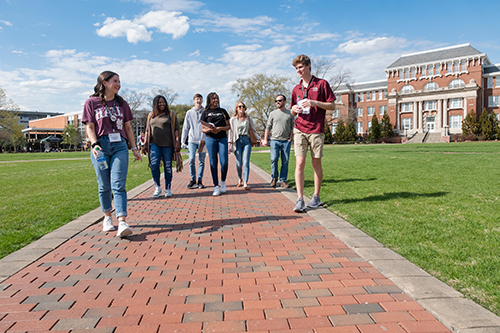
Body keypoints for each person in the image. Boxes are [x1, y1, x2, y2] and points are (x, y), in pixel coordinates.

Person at [83, 70, 142, 237]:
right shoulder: (91, 102)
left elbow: (128, 128)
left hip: (120, 146)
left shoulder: (122, 103)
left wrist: (134, 148)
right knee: (104, 185)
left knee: (118, 184)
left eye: (119, 81)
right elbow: (90, 126)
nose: (118, 84)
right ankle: (107, 216)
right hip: (100, 146)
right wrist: (94, 144)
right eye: (115, 81)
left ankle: (122, 221)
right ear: (104, 83)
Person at [290, 54, 335, 212]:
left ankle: (316, 196)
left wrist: (315, 103)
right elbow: (292, 110)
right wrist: (294, 110)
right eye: (296, 69)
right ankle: (300, 199)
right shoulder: (296, 89)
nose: (298, 71)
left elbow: (332, 106)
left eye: (300, 67)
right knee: (300, 163)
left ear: (309, 66)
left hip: (316, 129)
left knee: (316, 163)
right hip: (300, 128)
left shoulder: (322, 84)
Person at [143, 95, 181, 198]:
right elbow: (147, 130)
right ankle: (157, 187)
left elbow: (176, 129)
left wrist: (177, 142)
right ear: (155, 104)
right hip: (154, 144)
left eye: (163, 102)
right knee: (154, 165)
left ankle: (168, 188)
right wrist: (145, 144)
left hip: (168, 145)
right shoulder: (151, 115)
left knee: (167, 166)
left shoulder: (171, 114)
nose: (161, 104)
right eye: (159, 102)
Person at [200, 92, 231, 196]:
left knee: (224, 162)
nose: (215, 100)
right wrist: (209, 129)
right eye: (213, 99)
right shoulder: (205, 112)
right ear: (209, 100)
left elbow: (228, 127)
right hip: (210, 139)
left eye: (217, 98)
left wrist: (220, 128)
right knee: (213, 163)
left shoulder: (223, 111)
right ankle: (216, 186)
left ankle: (223, 181)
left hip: (222, 138)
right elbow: (202, 128)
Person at [262, 94, 294, 189]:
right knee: (274, 159)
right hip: (274, 140)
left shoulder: (290, 113)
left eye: (279, 100)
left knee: (285, 161)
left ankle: (283, 180)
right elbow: (268, 127)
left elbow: (293, 127)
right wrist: (265, 139)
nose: (277, 102)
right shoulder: (273, 113)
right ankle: (274, 178)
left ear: (284, 101)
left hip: (285, 141)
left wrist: (290, 139)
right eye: (276, 101)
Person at [228, 101, 260, 190]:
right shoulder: (233, 119)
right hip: (237, 141)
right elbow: (230, 132)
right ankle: (239, 179)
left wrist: (260, 139)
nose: (241, 108)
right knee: (239, 164)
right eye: (239, 106)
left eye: (243, 106)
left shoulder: (248, 119)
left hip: (246, 141)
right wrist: (229, 144)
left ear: (245, 108)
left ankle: (245, 182)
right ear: (236, 109)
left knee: (246, 162)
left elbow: (253, 131)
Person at [181, 93, 207, 189]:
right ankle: (193, 180)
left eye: (200, 99)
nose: (198, 101)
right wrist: (183, 141)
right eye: (196, 99)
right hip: (192, 140)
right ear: (194, 101)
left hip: (202, 140)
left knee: (201, 161)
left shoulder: (205, 112)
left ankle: (199, 180)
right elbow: (185, 127)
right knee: (191, 159)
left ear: (202, 100)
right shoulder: (189, 113)